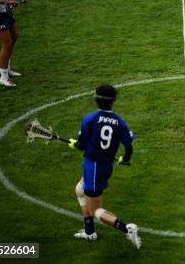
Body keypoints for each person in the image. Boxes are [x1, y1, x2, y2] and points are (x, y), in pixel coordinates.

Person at [69, 84, 141, 248]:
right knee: (79, 190)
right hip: (104, 166)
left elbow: (81, 145)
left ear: (95, 99)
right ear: (113, 101)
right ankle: (89, 232)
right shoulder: (118, 121)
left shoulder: (89, 118)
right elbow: (129, 146)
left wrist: (74, 144)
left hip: (93, 168)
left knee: (96, 210)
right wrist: (125, 158)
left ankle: (127, 229)